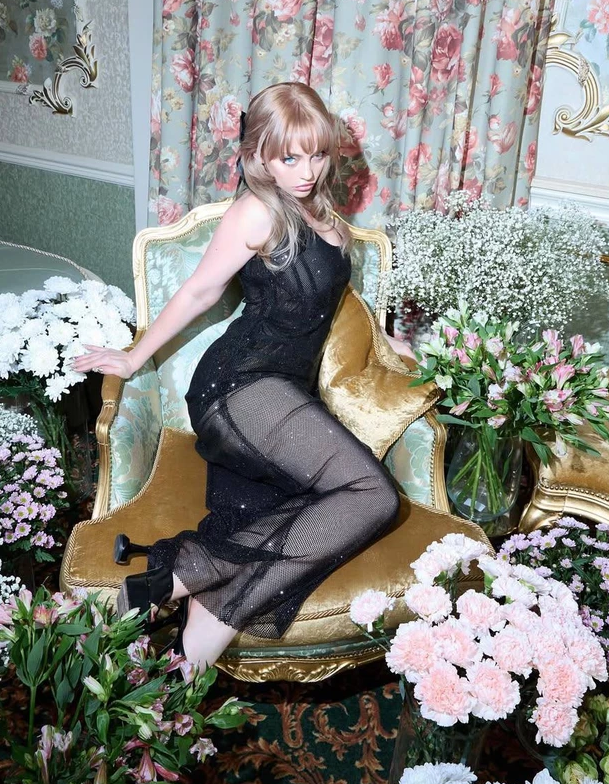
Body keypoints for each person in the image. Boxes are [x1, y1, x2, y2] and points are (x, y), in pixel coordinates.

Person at [72, 82, 412, 672]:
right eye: (290, 158)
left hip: (285, 390)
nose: (307, 171)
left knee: (337, 503)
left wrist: (390, 345)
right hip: (238, 386)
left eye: (318, 154)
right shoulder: (256, 210)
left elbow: (326, 308)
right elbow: (200, 291)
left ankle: (190, 617)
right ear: (258, 155)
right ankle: (186, 579)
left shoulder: (322, 213)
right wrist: (132, 356)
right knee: (374, 495)